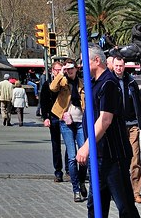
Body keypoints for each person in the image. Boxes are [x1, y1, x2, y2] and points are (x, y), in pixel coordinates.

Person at [75, 45, 140, 218]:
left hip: (113, 155)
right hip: (100, 155)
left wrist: (86, 147)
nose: (81, 65)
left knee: (125, 205)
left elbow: (105, 119)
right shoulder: (94, 84)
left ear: (97, 60)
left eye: (84, 61)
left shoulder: (109, 83)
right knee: (96, 206)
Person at [112, 56, 141, 203]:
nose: (119, 68)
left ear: (124, 66)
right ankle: (120, 192)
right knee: (119, 160)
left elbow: (139, 104)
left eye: (121, 66)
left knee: (135, 159)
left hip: (132, 125)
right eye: (117, 66)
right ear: (113, 66)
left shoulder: (131, 82)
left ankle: (136, 192)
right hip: (116, 125)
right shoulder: (109, 81)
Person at [51, 59, 87, 202]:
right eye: (68, 68)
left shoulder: (82, 83)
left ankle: (82, 181)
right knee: (72, 157)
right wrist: (60, 72)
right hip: (65, 122)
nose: (70, 70)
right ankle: (76, 189)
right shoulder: (62, 81)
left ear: (76, 69)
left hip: (80, 122)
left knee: (84, 157)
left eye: (72, 68)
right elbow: (52, 87)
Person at [40, 59, 66, 181]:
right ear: (52, 71)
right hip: (53, 117)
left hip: (65, 117)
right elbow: (43, 102)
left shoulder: (65, 83)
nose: (58, 72)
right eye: (56, 70)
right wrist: (45, 118)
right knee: (56, 145)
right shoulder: (47, 84)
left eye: (60, 70)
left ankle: (69, 170)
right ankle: (58, 171)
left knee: (69, 145)